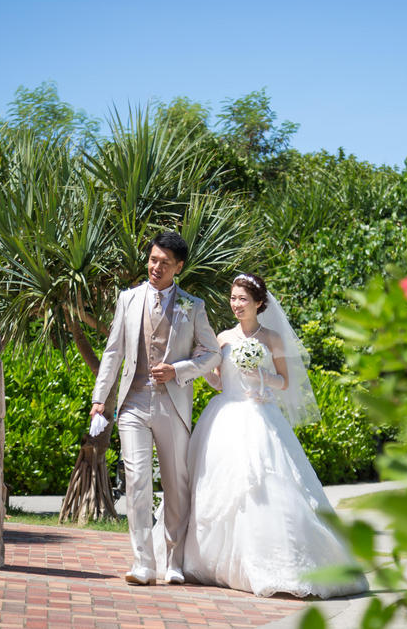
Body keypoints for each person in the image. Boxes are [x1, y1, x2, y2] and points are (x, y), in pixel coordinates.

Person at [181, 273, 369, 598]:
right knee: (219, 489)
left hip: (260, 415)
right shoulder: (222, 337)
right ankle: (214, 564)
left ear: (259, 303)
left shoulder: (272, 339)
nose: (236, 304)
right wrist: (208, 376)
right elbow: (217, 381)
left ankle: (282, 565)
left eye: (242, 299)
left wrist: (262, 375)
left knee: (269, 488)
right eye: (233, 298)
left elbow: (286, 382)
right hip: (225, 415)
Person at [90, 231, 221, 585]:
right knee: (136, 479)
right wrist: (100, 399)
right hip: (132, 402)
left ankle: (174, 560)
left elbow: (212, 354)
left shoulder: (193, 306)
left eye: (164, 262)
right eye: (152, 259)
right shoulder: (128, 299)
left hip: (172, 404)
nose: (156, 267)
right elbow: (114, 350)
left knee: (175, 484)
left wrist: (178, 371)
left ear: (178, 267)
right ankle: (143, 563)